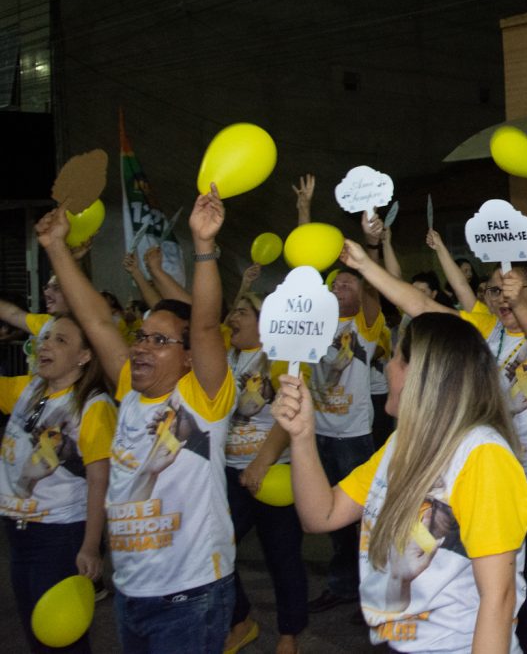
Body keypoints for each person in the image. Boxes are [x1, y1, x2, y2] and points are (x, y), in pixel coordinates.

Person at [339, 231, 527, 654]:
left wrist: (519, 304)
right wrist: (363, 265)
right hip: (475, 477)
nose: (502, 299)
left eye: (513, 292)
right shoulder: (481, 329)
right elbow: (422, 308)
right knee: (486, 589)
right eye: (495, 291)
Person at [37, 186, 237, 651]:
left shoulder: (203, 401)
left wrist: (203, 246)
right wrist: (55, 249)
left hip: (190, 598)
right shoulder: (129, 390)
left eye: (160, 341)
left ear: (190, 358)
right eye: (142, 336)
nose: (142, 346)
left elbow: (206, 325)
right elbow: (98, 323)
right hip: (132, 592)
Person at [273, 313, 527, 652]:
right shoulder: (402, 443)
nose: (386, 368)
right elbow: (321, 515)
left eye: (396, 358)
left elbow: (498, 599)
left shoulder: (482, 455)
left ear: (424, 375)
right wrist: (302, 436)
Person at [1, 315, 115, 653]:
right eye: (45, 337)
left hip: (59, 536)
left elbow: (100, 481)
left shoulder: (93, 407)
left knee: (61, 638)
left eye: (60, 340)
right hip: (18, 533)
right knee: (38, 631)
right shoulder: (30, 388)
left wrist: (90, 546)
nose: (45, 344)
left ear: (84, 357)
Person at [306, 211, 385, 614]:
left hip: (354, 437)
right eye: (335, 282)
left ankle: (371, 592)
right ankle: (341, 585)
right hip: (320, 433)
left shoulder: (367, 326)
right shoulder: (316, 323)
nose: (338, 287)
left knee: (360, 522)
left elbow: (373, 289)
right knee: (333, 524)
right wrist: (306, 217)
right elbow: (304, 268)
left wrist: (368, 252)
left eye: (347, 283)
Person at [221, 293, 307, 654]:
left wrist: (262, 463)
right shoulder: (225, 355)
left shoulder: (278, 356)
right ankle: (240, 620)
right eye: (232, 311)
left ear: (263, 321)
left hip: (274, 475)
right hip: (228, 473)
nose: (232, 318)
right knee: (217, 548)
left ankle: (289, 634)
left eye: (241, 312)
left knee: (282, 556)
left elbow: (289, 417)